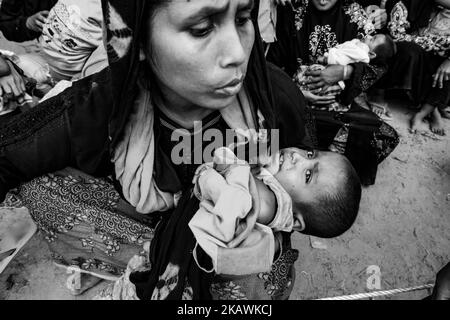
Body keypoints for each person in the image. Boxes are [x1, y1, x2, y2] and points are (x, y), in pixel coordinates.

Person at [0, 0, 316, 300]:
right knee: (42, 187)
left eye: (243, 18)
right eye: (203, 27)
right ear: (138, 38)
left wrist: (266, 205)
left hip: (222, 231)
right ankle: (123, 263)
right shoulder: (103, 107)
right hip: (143, 221)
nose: (237, 53)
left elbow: (311, 177)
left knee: (261, 278)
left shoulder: (273, 99)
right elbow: (8, 153)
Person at [267, 0, 399, 186]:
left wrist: (347, 72)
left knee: (383, 135)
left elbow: (380, 63)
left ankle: (313, 151)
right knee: (269, 135)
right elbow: (270, 65)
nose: (322, 0)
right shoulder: (291, 12)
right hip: (293, 101)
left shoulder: (355, 16)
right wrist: (295, 92)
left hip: (334, 104)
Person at [189, 146, 361, 276]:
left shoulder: (268, 205)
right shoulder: (280, 188)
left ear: (294, 221)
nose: (297, 156)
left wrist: (208, 175)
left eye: (308, 174)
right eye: (310, 154)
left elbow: (230, 196)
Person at [385, 0, 450, 136]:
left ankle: (426, 110)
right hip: (417, 47)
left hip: (439, 48)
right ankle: (432, 108)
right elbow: (397, 35)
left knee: (445, 63)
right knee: (416, 53)